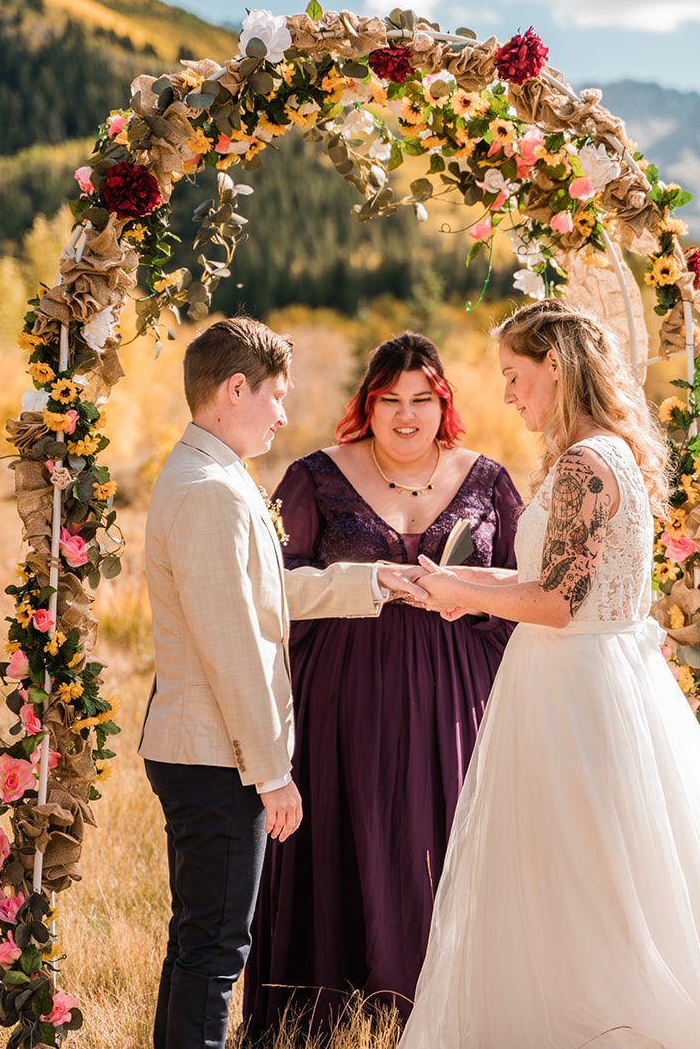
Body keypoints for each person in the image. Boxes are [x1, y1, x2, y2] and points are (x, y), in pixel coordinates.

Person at [400, 299, 700, 1048]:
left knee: (588, 878)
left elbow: (557, 603)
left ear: (554, 365)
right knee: (586, 873)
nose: (509, 394)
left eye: (515, 375)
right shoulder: (598, 455)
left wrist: (462, 592)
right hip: (588, 675)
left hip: (577, 692)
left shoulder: (588, 465)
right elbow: (559, 586)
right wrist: (462, 590)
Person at [137, 317, 424, 1049]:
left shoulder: (215, 474)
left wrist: (374, 582)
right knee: (216, 949)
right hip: (214, 756)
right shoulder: (210, 490)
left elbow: (269, 594)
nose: (284, 415)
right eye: (277, 397)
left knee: (197, 938)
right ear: (236, 389)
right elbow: (234, 648)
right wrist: (272, 775)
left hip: (201, 747)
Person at [244, 334, 522, 1040]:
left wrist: (471, 603)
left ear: (443, 404)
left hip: (454, 703)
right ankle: (325, 1018)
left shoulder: (487, 481)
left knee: (442, 846)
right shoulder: (314, 477)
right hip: (343, 703)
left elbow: (525, 593)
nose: (406, 415)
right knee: (347, 840)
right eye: (389, 400)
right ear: (365, 404)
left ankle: (446, 1016)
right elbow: (274, 593)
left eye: (422, 400)